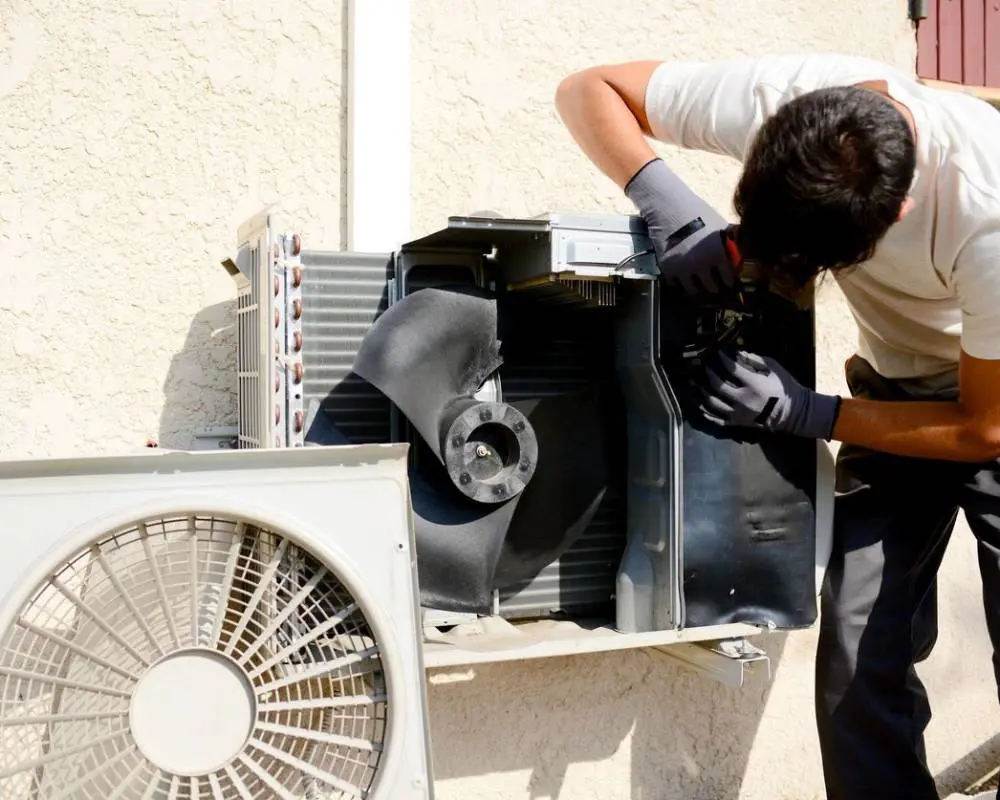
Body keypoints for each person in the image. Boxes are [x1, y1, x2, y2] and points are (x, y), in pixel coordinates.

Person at [555, 52, 1000, 800]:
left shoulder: (986, 215)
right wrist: (663, 196)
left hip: (988, 407)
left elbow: (983, 429)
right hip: (895, 391)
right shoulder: (790, 102)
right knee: (859, 650)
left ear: (894, 216)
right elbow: (586, 88)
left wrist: (813, 413)